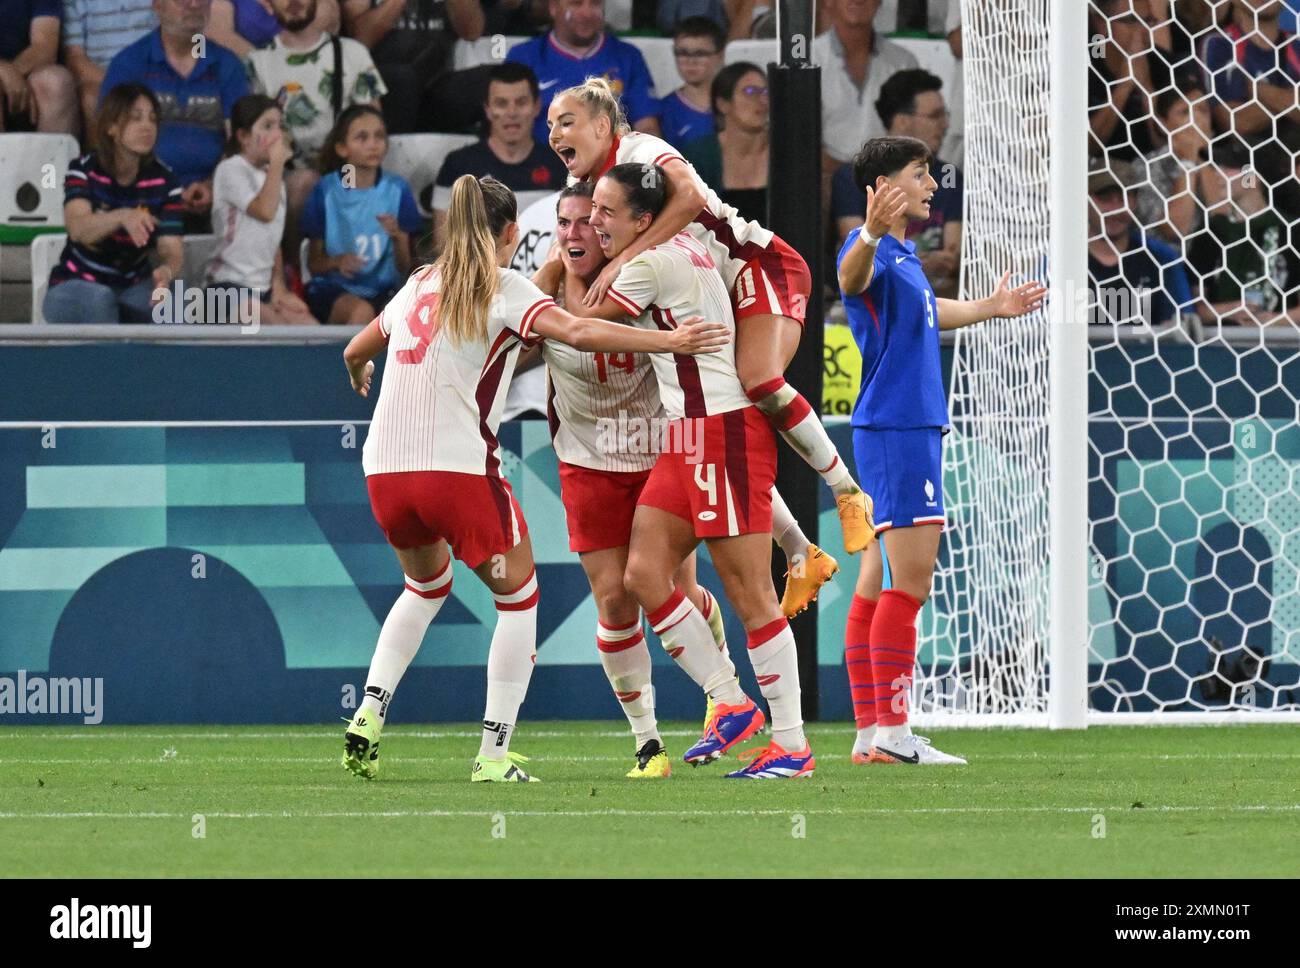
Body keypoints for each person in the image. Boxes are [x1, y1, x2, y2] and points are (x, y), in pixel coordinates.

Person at [338, 173, 731, 782]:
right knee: (518, 600)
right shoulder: (503, 286)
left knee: (423, 588)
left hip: (383, 474)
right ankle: (492, 755)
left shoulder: (418, 283)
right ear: (513, 234)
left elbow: (357, 347)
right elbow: (575, 330)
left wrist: (359, 367)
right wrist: (668, 339)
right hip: (455, 472)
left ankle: (367, 713)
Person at [547, 79, 866, 619]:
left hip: (756, 265)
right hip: (709, 293)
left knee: (759, 382)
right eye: (551, 123)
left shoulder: (640, 151)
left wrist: (624, 261)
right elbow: (575, 254)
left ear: (604, 126)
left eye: (567, 121)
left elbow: (692, 196)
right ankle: (797, 549)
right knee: (730, 409)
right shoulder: (602, 187)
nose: (555, 133)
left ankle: (847, 491)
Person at [576, 163, 814, 778]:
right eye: (592, 211)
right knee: (645, 574)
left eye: (606, 211)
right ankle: (731, 701)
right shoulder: (683, 247)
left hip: (722, 432)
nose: (595, 222)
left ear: (642, 221)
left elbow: (587, 331)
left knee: (751, 596)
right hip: (689, 434)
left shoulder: (648, 264)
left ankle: (792, 745)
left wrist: (542, 294)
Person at [837, 135, 1045, 766]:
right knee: (914, 579)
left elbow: (928, 313)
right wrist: (868, 233)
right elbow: (849, 276)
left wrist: (989, 307)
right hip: (900, 431)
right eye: (920, 174)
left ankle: (872, 733)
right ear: (886, 188)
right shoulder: (867, 248)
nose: (932, 185)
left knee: (877, 576)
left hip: (899, 429)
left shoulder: (904, 256)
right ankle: (897, 735)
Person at [532, 181, 732, 776]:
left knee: (670, 592)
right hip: (586, 462)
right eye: (563, 224)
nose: (574, 233)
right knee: (615, 601)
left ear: (609, 228)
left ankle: (722, 700)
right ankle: (648, 743)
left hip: (659, 457)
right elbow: (505, 345)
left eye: (585, 222)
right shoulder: (543, 289)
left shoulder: (644, 276)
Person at [246, 0, 387, 262]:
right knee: (302, 182)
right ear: (267, 4)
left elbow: (373, 126)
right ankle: (295, 275)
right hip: (282, 175)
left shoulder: (352, 53)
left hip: (346, 169)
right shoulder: (257, 61)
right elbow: (252, 142)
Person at [43, 83, 184, 324]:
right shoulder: (83, 169)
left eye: (152, 119)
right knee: (100, 301)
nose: (147, 126)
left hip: (132, 285)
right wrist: (123, 216)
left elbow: (171, 249)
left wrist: (167, 271)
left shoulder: (166, 181)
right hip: (74, 283)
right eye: (135, 118)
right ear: (111, 127)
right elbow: (79, 229)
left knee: (176, 303)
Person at [101, 0, 251, 227]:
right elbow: (111, 141)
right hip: (143, 199)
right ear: (157, 4)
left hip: (217, 199)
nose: (194, 4)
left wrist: (213, 186)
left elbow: (240, 141)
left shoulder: (225, 65)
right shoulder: (131, 64)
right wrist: (160, 188)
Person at [831, 68, 962, 297]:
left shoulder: (949, 175)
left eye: (944, 115)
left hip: (937, 295)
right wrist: (911, 263)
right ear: (902, 122)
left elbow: (951, 257)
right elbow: (858, 251)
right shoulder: (851, 176)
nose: (944, 125)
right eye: (935, 116)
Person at [300, 104, 423, 323]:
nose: (373, 145)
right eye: (362, 137)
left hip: (385, 292)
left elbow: (406, 269)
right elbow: (314, 265)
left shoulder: (397, 189)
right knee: (361, 312)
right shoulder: (327, 190)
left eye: (379, 136)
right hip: (333, 290)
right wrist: (336, 262)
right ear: (341, 148)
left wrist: (397, 238)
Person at [430, 63, 566, 254]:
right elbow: (444, 246)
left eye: (521, 102)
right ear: (487, 109)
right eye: (501, 103)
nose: (512, 113)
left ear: (536, 107)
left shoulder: (560, 164)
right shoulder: (458, 166)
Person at [207, 94, 318, 322]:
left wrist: (279, 288)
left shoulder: (272, 177)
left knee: (310, 328)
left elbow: (272, 239)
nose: (277, 135)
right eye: (267, 126)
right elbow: (265, 212)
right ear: (244, 136)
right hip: (226, 288)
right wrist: (277, 164)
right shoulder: (230, 169)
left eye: (280, 125)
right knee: (275, 331)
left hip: (264, 288)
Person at [507, 0, 661, 144]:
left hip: (611, 167)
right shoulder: (524, 57)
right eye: (576, 3)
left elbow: (647, 127)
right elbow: (506, 124)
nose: (587, 13)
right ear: (553, 7)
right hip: (542, 168)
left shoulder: (628, 56)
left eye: (595, 3)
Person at [341, 0, 485, 134]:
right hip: (381, 86)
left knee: (492, 80)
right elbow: (361, 39)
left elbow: (472, 33)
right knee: (402, 78)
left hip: (435, 86)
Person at [811, 0, 918, 173]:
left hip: (890, 180)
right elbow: (798, 141)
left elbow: (914, 134)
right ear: (828, 2)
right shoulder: (809, 61)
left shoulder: (903, 62)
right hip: (823, 180)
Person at [1088, 164, 1194, 327]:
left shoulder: (1160, 258)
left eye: (1124, 197)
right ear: (1086, 200)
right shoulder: (1061, 261)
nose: (1116, 209)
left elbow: (1181, 323)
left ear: (1135, 202)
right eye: (1105, 198)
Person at [680, 61, 767, 226]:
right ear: (723, 104)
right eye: (750, 91)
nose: (762, 100)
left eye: (765, 92)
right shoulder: (699, 155)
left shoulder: (786, 153)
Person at [1131, 85, 1213, 245]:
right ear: (1163, 124)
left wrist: (1198, 160)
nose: (1196, 118)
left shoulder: (1224, 164)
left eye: (1203, 110)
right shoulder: (1145, 167)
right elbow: (1174, 230)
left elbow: (1223, 219)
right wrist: (1188, 162)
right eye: (1185, 112)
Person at [62, 0, 158, 130]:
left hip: (157, 73)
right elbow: (76, 60)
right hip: (102, 77)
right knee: (91, 97)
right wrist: (121, 83)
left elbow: (182, 41)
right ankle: (99, 150)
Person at [0, 0, 77, 134]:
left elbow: (44, 47)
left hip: (25, 76)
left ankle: (54, 155)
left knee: (56, 82)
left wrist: (12, 75)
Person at [658, 16, 725, 150]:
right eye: (682, 53)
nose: (691, 61)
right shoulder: (665, 109)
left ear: (720, 56)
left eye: (700, 53)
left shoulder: (734, 104)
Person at [208, 0, 339, 56]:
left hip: (307, 55)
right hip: (250, 70)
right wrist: (268, 64)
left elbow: (328, 13)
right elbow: (217, 34)